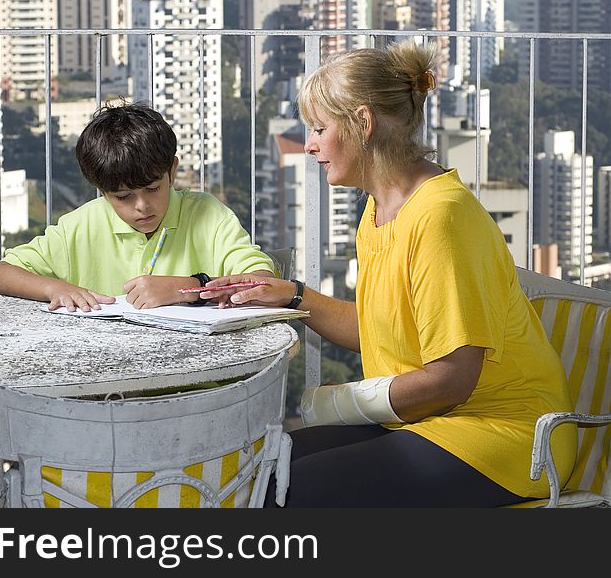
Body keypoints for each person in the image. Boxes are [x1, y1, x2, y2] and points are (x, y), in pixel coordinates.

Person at [200, 41, 577, 507]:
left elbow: (451, 381)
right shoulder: (381, 209)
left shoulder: (441, 218)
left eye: (319, 128)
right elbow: (382, 330)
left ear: (363, 123)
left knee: (294, 490)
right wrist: (293, 296)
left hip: (507, 437)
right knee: (258, 470)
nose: (311, 144)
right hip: (429, 421)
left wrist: (340, 403)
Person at [0, 100, 274, 310]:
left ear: (172, 171)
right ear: (102, 190)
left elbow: (261, 281)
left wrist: (188, 288)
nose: (142, 206)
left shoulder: (208, 214)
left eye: (152, 188)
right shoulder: (82, 225)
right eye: (123, 197)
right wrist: (54, 287)